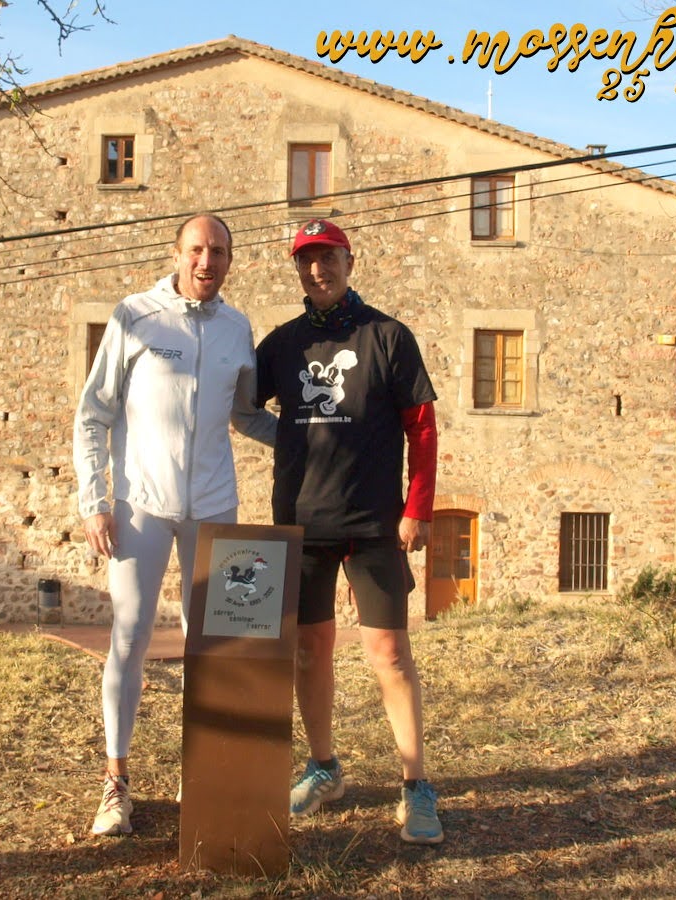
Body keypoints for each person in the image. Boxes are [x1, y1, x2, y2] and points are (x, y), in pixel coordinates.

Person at [73, 213, 275, 836]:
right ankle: (116, 783)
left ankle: (204, 773)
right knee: (130, 634)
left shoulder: (238, 328)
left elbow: (246, 415)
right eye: (197, 249)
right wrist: (95, 500)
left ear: (231, 259)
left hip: (214, 504)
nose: (207, 261)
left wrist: (312, 437)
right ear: (177, 252)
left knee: (211, 645)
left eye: (219, 251)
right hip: (141, 505)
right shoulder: (135, 315)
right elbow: (93, 413)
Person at [254, 218, 444, 845]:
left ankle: (415, 784)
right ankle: (324, 768)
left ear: (349, 262)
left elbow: (422, 428)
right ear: (298, 269)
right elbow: (236, 401)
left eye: (328, 257)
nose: (318, 270)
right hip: (302, 523)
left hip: (374, 523)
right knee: (310, 650)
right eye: (307, 261)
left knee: (389, 653)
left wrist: (418, 507)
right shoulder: (281, 344)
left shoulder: (388, 336)